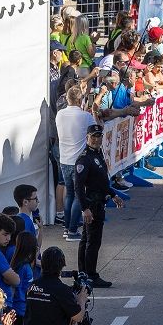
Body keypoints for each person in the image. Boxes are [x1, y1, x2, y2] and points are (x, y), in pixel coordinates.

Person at [74, 124, 124, 288]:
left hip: (98, 201)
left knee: (87, 240)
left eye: (98, 136)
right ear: (87, 137)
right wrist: (85, 208)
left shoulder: (97, 154)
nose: (96, 139)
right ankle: (90, 276)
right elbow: (78, 187)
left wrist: (113, 193)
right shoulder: (85, 158)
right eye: (93, 136)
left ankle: (84, 273)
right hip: (92, 205)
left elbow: (101, 181)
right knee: (92, 241)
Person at [55, 85, 95, 242]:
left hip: (64, 159)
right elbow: (96, 131)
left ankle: (67, 227)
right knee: (79, 195)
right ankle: (72, 230)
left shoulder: (60, 114)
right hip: (78, 161)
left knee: (70, 193)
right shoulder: (85, 116)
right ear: (80, 99)